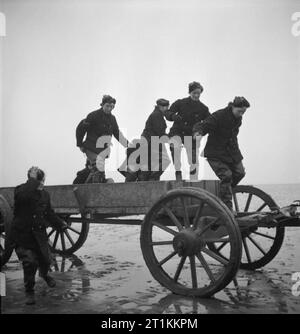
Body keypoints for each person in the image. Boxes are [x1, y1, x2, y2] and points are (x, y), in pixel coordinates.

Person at [10, 167, 67, 305]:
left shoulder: (45, 195)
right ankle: (29, 291)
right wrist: (33, 180)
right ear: (31, 180)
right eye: (39, 181)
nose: (42, 184)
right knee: (30, 262)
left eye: (42, 181)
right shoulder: (21, 190)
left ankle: (44, 274)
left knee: (46, 260)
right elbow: (24, 196)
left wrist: (60, 223)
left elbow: (49, 213)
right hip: (24, 234)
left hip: (39, 234)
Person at [193, 96, 250, 211]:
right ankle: (226, 207)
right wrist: (198, 133)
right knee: (227, 175)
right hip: (215, 153)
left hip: (232, 152)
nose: (241, 114)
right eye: (239, 111)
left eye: (243, 112)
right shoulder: (219, 115)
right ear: (233, 107)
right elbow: (203, 124)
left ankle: (222, 193)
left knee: (240, 173)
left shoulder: (238, 119)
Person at [76, 95, 129, 183]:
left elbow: (117, 133)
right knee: (97, 166)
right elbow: (80, 129)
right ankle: (95, 187)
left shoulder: (112, 119)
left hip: (102, 151)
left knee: (98, 172)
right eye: (107, 106)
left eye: (112, 107)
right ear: (102, 105)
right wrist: (79, 144)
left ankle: (86, 185)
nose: (109, 109)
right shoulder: (93, 115)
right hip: (91, 147)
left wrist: (127, 145)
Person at [166, 81, 210, 181]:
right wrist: (173, 116)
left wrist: (201, 132)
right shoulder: (180, 103)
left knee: (193, 160)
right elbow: (168, 112)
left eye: (198, 93)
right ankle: (178, 173)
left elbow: (209, 122)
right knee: (175, 148)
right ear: (190, 92)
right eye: (194, 93)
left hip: (191, 135)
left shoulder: (203, 108)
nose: (196, 95)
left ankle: (193, 179)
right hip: (177, 132)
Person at [121, 99, 171, 182]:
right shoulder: (156, 115)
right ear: (160, 107)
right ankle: (151, 179)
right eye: (165, 107)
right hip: (150, 143)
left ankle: (150, 179)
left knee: (151, 165)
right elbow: (160, 133)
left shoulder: (158, 115)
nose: (166, 109)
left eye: (167, 107)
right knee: (162, 162)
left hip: (152, 143)